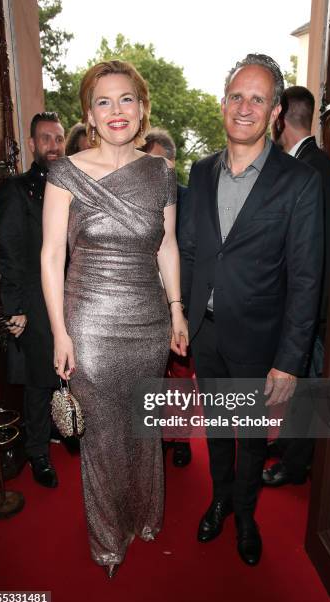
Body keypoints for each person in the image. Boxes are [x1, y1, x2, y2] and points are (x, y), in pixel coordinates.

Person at [41, 60, 188, 578]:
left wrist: (176, 310)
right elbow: (50, 255)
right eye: (104, 101)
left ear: (142, 107)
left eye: (126, 99)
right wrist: (60, 332)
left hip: (148, 322)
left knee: (142, 426)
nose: (116, 110)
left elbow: (167, 246)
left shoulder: (161, 173)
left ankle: (144, 515)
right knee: (102, 435)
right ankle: (107, 541)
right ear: (90, 113)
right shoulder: (66, 173)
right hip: (90, 326)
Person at [180, 54, 324, 566]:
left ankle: (244, 513)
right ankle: (218, 499)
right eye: (237, 96)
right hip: (206, 334)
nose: (245, 107)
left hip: (262, 342)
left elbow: (307, 280)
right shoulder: (198, 172)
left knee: (251, 439)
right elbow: (193, 251)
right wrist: (182, 316)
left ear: (276, 112)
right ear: (223, 104)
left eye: (257, 99)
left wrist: (289, 360)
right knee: (217, 429)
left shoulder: (299, 182)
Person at [263, 85, 330, 486]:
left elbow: (319, 251)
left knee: (307, 384)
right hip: (300, 303)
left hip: (313, 306)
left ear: (280, 117)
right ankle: (288, 445)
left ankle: (296, 465)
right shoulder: (306, 163)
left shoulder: (316, 169)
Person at [0, 112, 66, 488]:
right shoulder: (17, 190)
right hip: (35, 304)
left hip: (74, 298)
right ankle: (38, 452)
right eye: (46, 139)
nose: (53, 146)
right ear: (33, 144)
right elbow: (8, 252)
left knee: (70, 374)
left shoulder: (74, 187)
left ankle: (69, 431)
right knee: (40, 381)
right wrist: (15, 307)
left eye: (58, 138)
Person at [141, 127, 193, 467]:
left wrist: (182, 304)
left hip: (181, 299)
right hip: (145, 301)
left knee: (181, 375)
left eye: (156, 163)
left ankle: (182, 438)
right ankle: (157, 436)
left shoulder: (191, 199)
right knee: (152, 377)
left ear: (172, 164)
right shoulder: (135, 198)